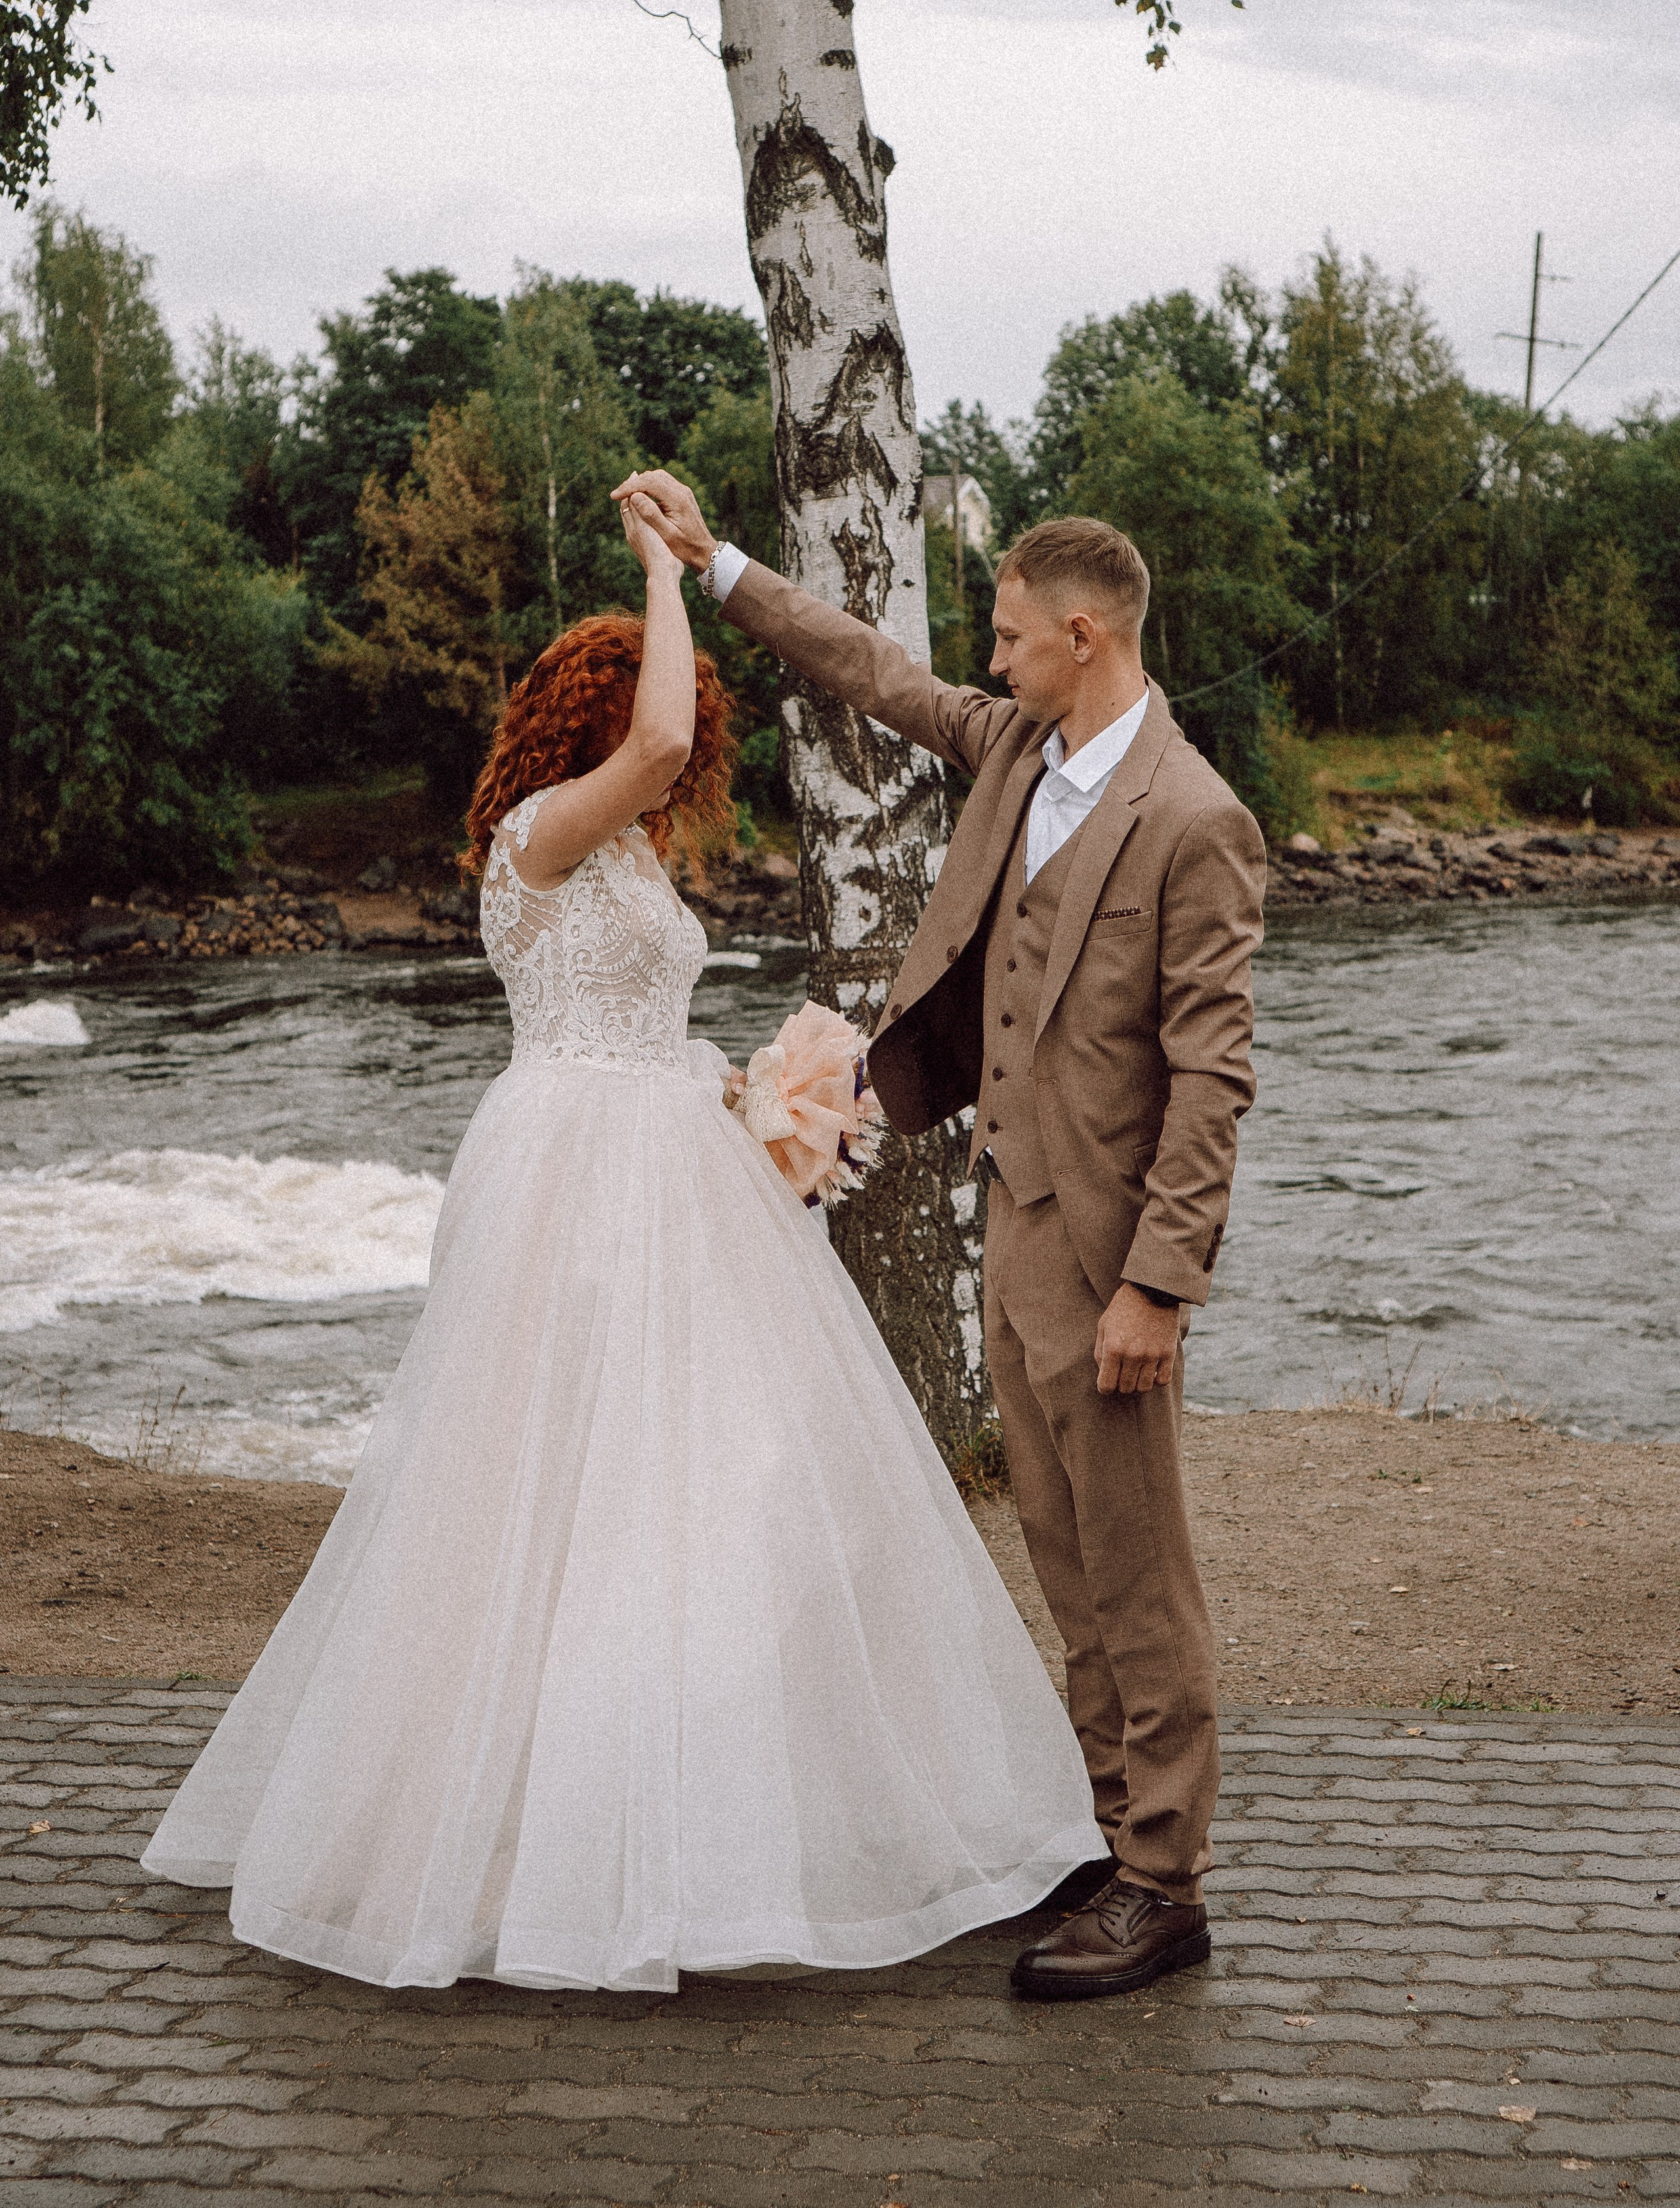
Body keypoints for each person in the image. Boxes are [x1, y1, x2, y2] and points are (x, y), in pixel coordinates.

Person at [140, 497, 1106, 1994]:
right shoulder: (540, 834)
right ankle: (538, 1834)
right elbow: (653, 748)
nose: (684, 762)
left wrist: (753, 1096)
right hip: (575, 1176)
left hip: (674, 1155)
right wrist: (671, 572)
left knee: (722, 1482)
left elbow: (647, 991)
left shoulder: (628, 862)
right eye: (677, 727)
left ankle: (706, 1806)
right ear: (593, 719)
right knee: (545, 1486)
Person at [619, 472, 1266, 2003]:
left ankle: (1163, 1883)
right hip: (1007, 1221)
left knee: (1136, 1570)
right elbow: (874, 670)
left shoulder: (1193, 819)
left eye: (1011, 635)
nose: (989, 658)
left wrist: (1157, 1287)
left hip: (1107, 1252)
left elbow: (1211, 1078)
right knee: (1060, 1550)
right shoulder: (1011, 750)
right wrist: (718, 570)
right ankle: (1112, 1837)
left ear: (1084, 633)